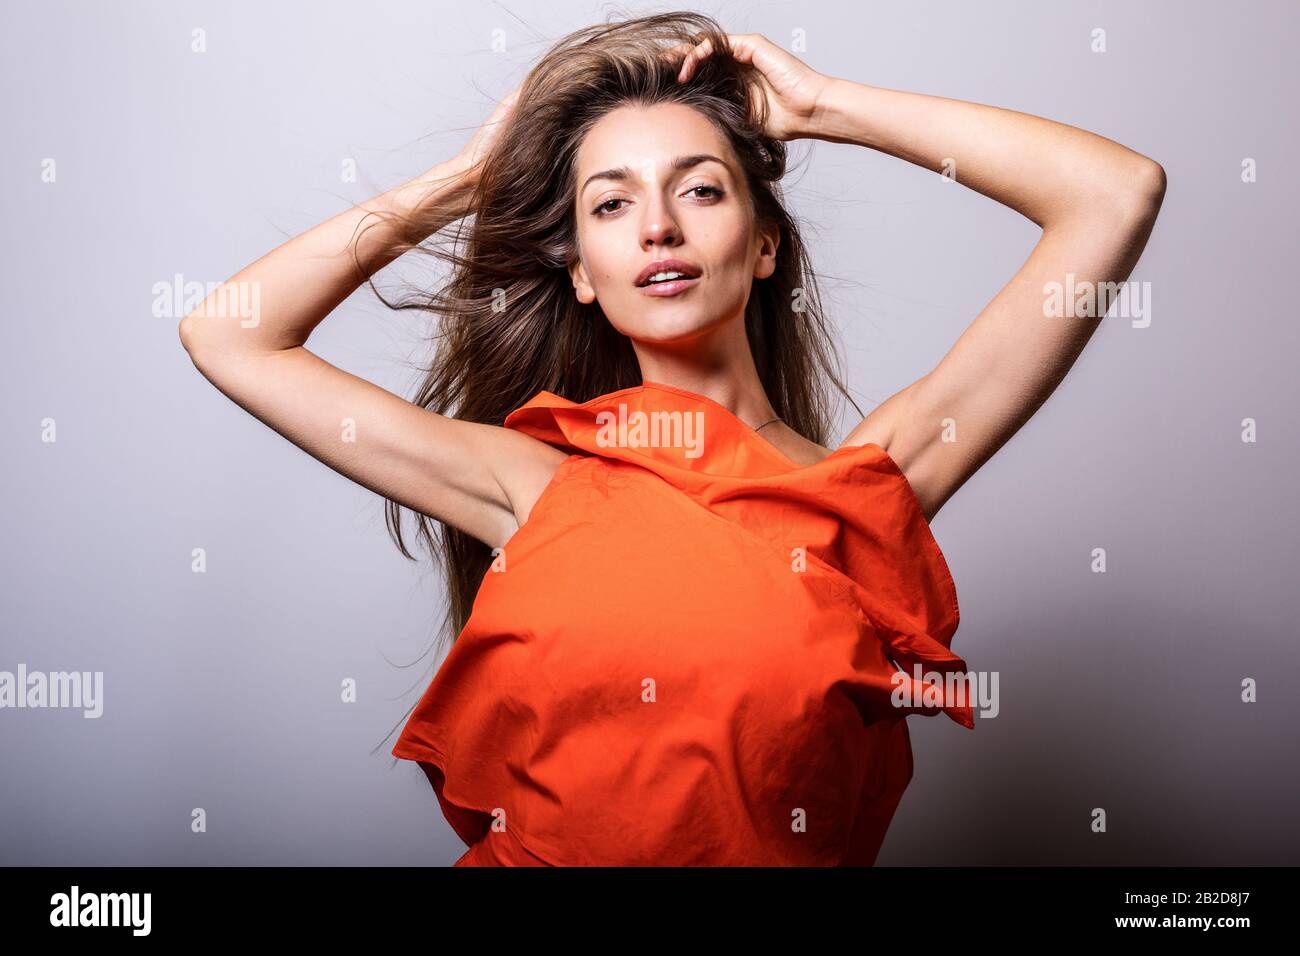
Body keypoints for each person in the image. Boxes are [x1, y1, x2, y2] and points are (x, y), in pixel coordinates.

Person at [178, 13, 1165, 865]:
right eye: (610, 203)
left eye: (698, 188)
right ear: (580, 271)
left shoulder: (870, 486)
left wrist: (822, 108)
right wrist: (473, 175)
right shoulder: (529, 478)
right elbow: (229, 331)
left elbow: (1113, 190)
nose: (656, 225)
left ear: (764, 241)